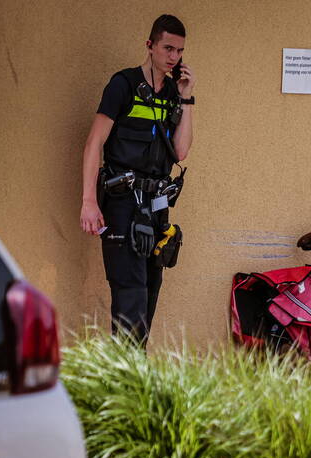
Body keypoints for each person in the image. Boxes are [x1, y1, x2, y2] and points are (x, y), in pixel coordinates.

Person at [79, 14, 195, 343]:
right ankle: (128, 382)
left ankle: (132, 377)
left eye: (179, 51)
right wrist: (88, 201)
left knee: (148, 294)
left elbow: (182, 150)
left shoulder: (175, 92)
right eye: (167, 48)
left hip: (156, 208)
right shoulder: (124, 85)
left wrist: (187, 98)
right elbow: (93, 144)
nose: (173, 57)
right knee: (130, 300)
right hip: (122, 204)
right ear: (150, 46)